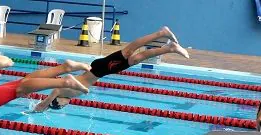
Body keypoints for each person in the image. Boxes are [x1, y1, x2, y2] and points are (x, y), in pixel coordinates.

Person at [34, 26, 190, 112]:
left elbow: (54, 91)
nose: (63, 106)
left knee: (130, 51)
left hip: (101, 68)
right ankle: (170, 47)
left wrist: (44, 104)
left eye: (60, 106)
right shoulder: (71, 96)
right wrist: (47, 106)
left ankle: (161, 33)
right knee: (136, 58)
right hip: (104, 70)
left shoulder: (62, 91)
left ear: (58, 101)